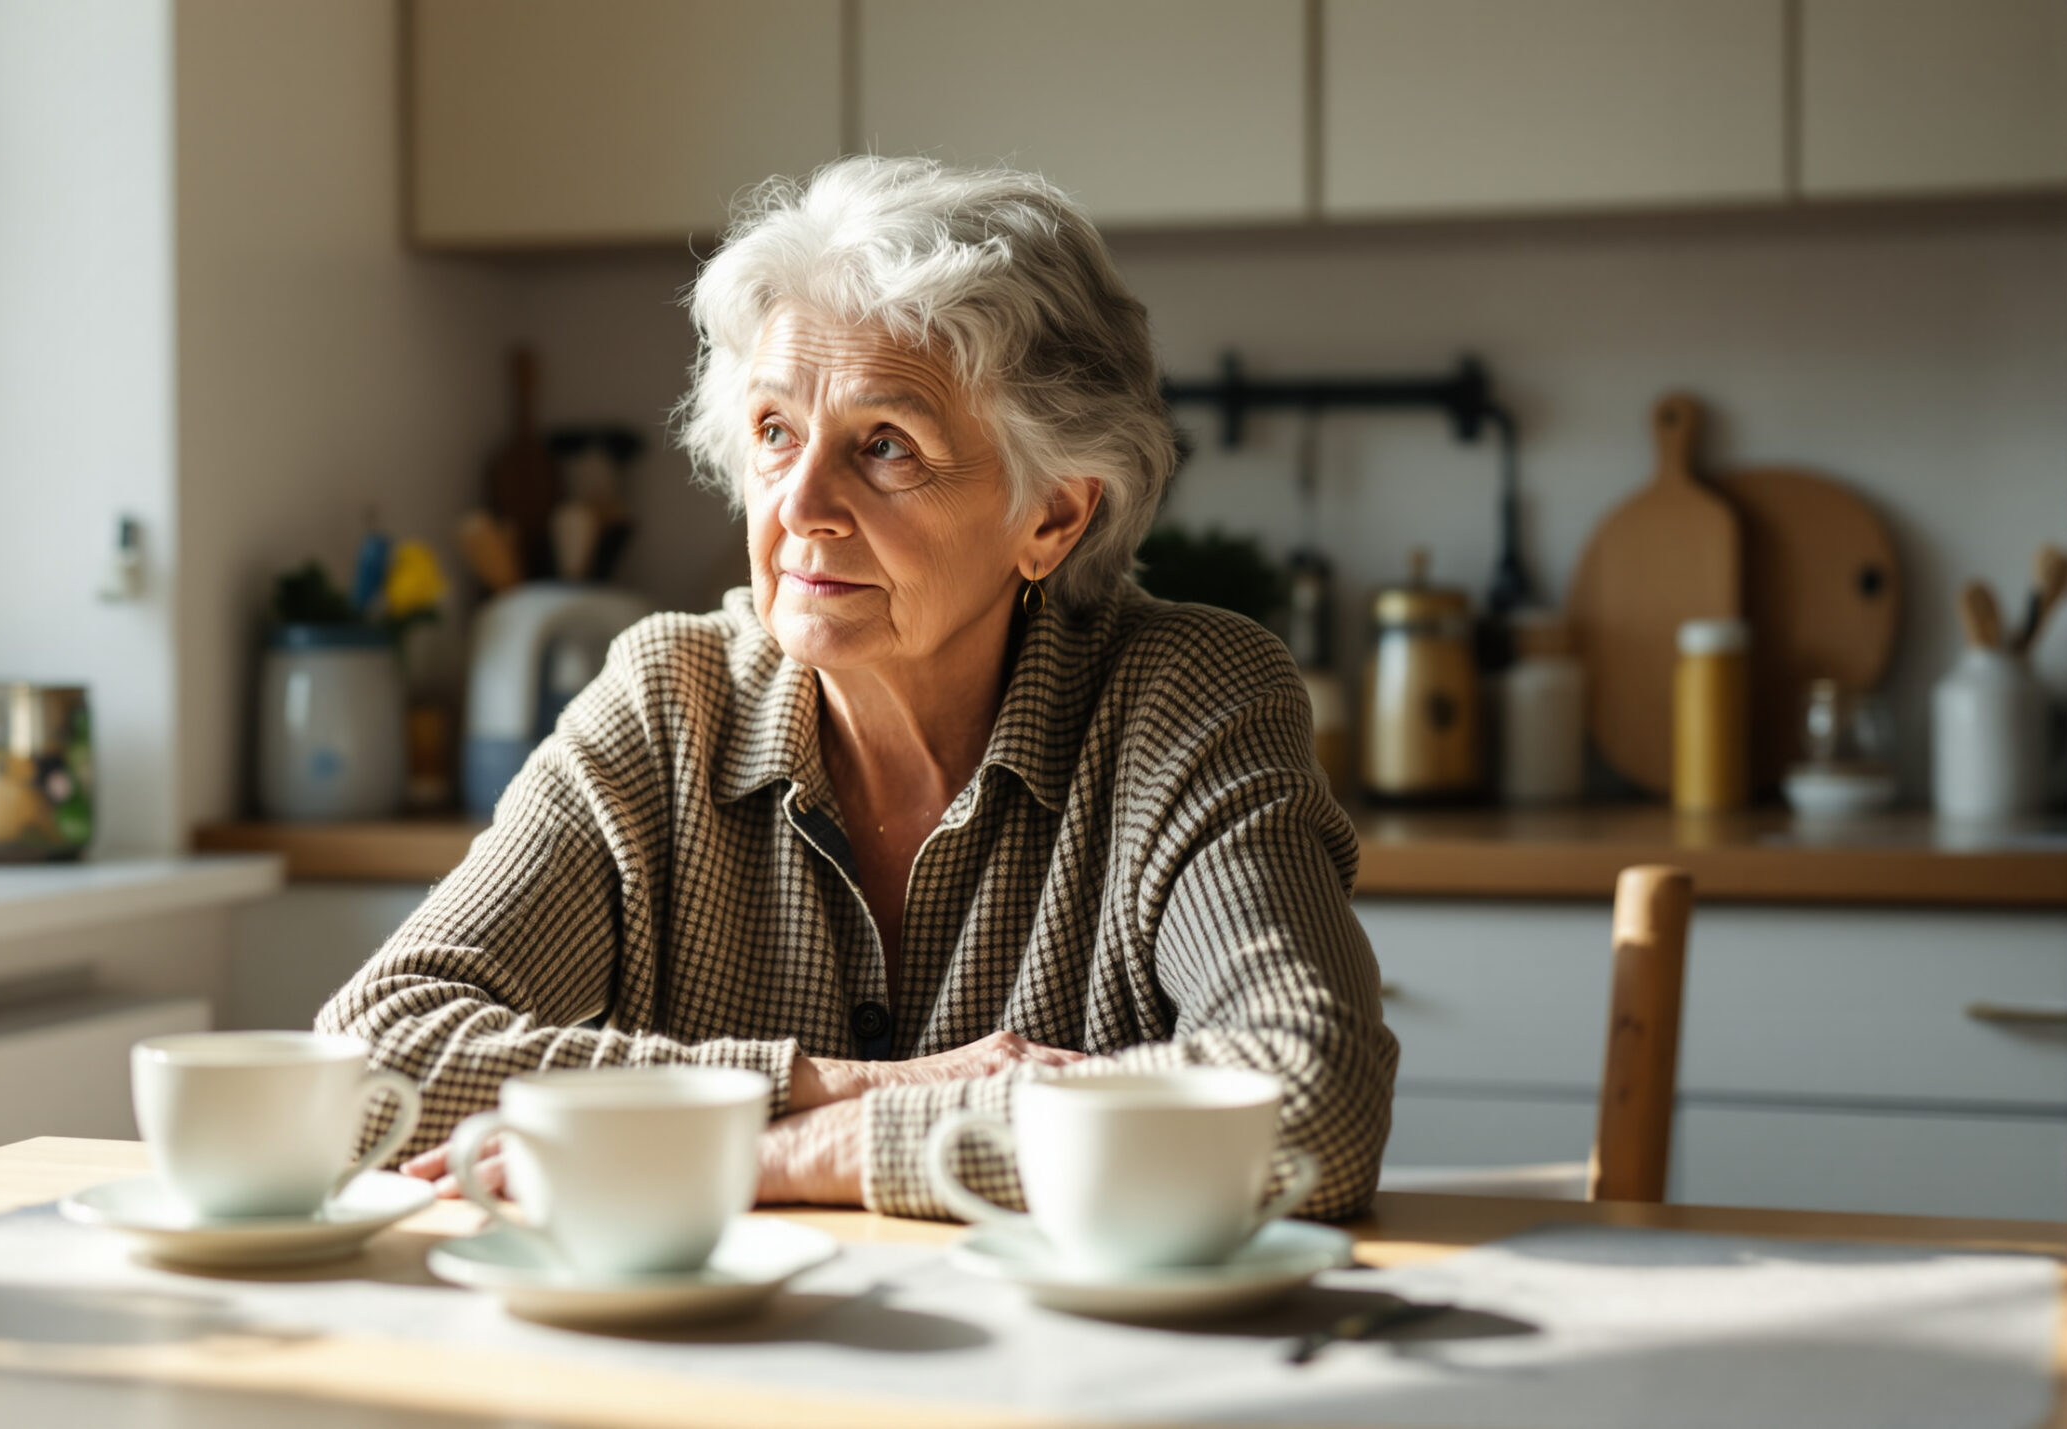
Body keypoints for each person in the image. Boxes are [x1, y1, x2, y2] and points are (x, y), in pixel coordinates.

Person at [318, 155, 1397, 1221]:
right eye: (776, 432)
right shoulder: (669, 699)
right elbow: (365, 1060)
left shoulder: (1186, 699)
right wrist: (838, 1082)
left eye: (885, 446)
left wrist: (799, 1152)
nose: (801, 505)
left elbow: (1308, 1098)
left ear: (1054, 517)